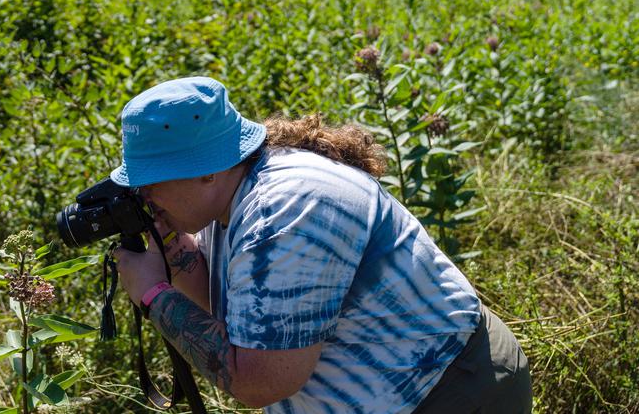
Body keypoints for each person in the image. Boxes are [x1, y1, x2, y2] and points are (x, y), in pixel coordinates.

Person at [112, 76, 531, 413]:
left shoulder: (286, 210)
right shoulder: (230, 194)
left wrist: (154, 294)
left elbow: (260, 380)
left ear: (205, 171)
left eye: (150, 181)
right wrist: (177, 254)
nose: (143, 195)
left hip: (449, 392)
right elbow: (247, 316)